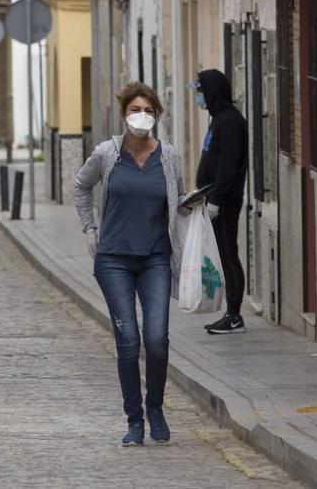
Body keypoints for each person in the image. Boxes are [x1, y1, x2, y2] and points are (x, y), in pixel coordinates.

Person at [74, 82, 185, 447]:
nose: (143, 116)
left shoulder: (169, 157)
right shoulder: (108, 154)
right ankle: (134, 420)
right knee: (127, 340)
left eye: (150, 111)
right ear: (124, 114)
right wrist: (90, 228)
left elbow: (177, 200)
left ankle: (155, 408)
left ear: (157, 116)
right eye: (136, 109)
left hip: (155, 257)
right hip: (114, 260)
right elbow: (81, 185)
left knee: (156, 339)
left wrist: (193, 207)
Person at [194, 69, 249, 335]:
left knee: (229, 254)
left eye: (201, 89)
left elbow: (227, 166)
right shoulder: (217, 119)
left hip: (224, 201)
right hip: (214, 199)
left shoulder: (230, 122)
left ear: (213, 90)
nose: (198, 95)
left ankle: (235, 315)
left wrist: (216, 199)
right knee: (224, 255)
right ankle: (230, 313)